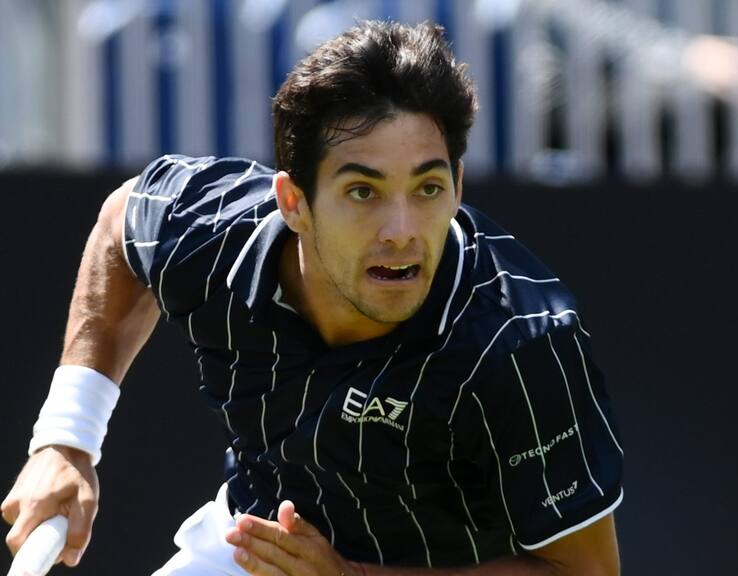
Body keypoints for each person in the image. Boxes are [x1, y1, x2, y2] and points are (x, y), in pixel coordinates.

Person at [2, 21, 623, 576]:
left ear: (458, 185)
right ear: (294, 202)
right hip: (257, 548)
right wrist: (66, 439)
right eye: (363, 192)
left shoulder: (521, 342)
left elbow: (585, 573)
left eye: (429, 187)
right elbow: (123, 222)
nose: (402, 229)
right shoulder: (216, 232)